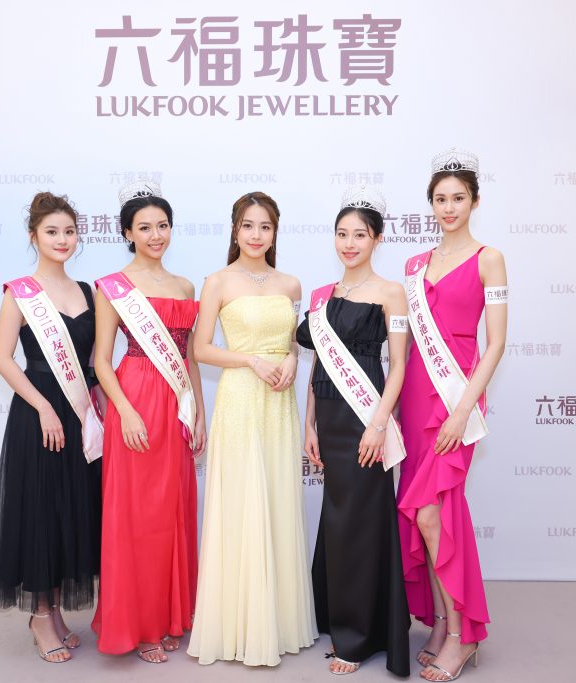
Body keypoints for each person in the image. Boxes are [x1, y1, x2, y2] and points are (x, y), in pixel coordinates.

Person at [187, 191, 318, 667]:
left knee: (278, 499)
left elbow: (292, 342)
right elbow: (200, 349)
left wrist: (289, 358)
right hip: (241, 399)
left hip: (278, 403)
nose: (256, 235)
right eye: (248, 225)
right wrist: (250, 361)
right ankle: (237, 625)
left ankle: (278, 622)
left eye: (265, 226)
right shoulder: (218, 281)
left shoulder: (290, 283)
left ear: (275, 231)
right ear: (235, 229)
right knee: (242, 500)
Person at [397, 149, 508, 681]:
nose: (449, 208)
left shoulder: (489, 258)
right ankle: (443, 622)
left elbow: (497, 343)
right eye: (440, 199)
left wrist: (463, 410)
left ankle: (463, 637)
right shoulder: (414, 266)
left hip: (457, 394)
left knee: (432, 513)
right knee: (433, 516)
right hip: (415, 395)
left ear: (475, 202)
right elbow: (404, 345)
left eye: (458, 198)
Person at [90, 180, 207, 664]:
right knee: (137, 516)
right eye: (144, 227)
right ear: (127, 233)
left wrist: (199, 412)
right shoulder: (112, 286)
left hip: (176, 402)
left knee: (171, 511)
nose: (156, 235)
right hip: (134, 398)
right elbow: (100, 360)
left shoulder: (185, 286)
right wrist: (126, 410)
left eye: (162, 226)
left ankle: (166, 616)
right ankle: (137, 627)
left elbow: (190, 357)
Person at [296, 186, 411, 676]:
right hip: (329, 416)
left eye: (359, 235)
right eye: (342, 234)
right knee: (338, 520)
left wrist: (379, 424)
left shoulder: (391, 292)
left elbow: (399, 365)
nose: (349, 243)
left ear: (377, 239)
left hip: (367, 417)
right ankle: (338, 616)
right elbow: (317, 363)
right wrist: (309, 423)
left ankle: (359, 636)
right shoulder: (323, 295)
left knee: (360, 524)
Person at [0, 191, 102, 663]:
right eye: (52, 231)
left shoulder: (89, 292)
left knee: (69, 510)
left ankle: (56, 613)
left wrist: (98, 403)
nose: (62, 239)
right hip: (39, 416)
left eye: (69, 231)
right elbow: (2, 358)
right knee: (41, 511)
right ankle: (39, 616)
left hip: (79, 413)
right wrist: (42, 408)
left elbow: (94, 361)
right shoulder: (20, 292)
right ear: (34, 236)